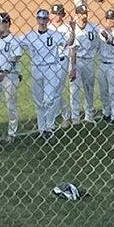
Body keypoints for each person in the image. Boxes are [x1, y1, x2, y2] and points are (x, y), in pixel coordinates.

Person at [20, 8, 67, 136]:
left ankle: (50, 125)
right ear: (37, 19)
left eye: (44, 19)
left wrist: (73, 30)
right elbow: (17, 43)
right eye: (40, 18)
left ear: (48, 20)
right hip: (36, 68)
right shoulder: (30, 35)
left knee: (49, 99)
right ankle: (42, 128)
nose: (42, 21)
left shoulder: (55, 34)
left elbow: (69, 42)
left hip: (51, 68)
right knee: (38, 100)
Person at [0, 11, 23, 141]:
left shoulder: (14, 40)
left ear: (8, 24)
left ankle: (12, 133)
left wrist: (4, 74)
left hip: (10, 75)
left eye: (1, 22)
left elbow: (15, 59)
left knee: (11, 104)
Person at [69, 5, 101, 124]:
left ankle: (89, 115)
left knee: (89, 89)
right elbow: (71, 49)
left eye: (86, 13)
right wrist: (72, 68)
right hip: (75, 61)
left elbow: (99, 42)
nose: (84, 16)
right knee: (74, 90)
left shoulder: (94, 27)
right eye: (82, 14)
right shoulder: (72, 29)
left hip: (89, 61)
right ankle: (75, 117)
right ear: (77, 15)